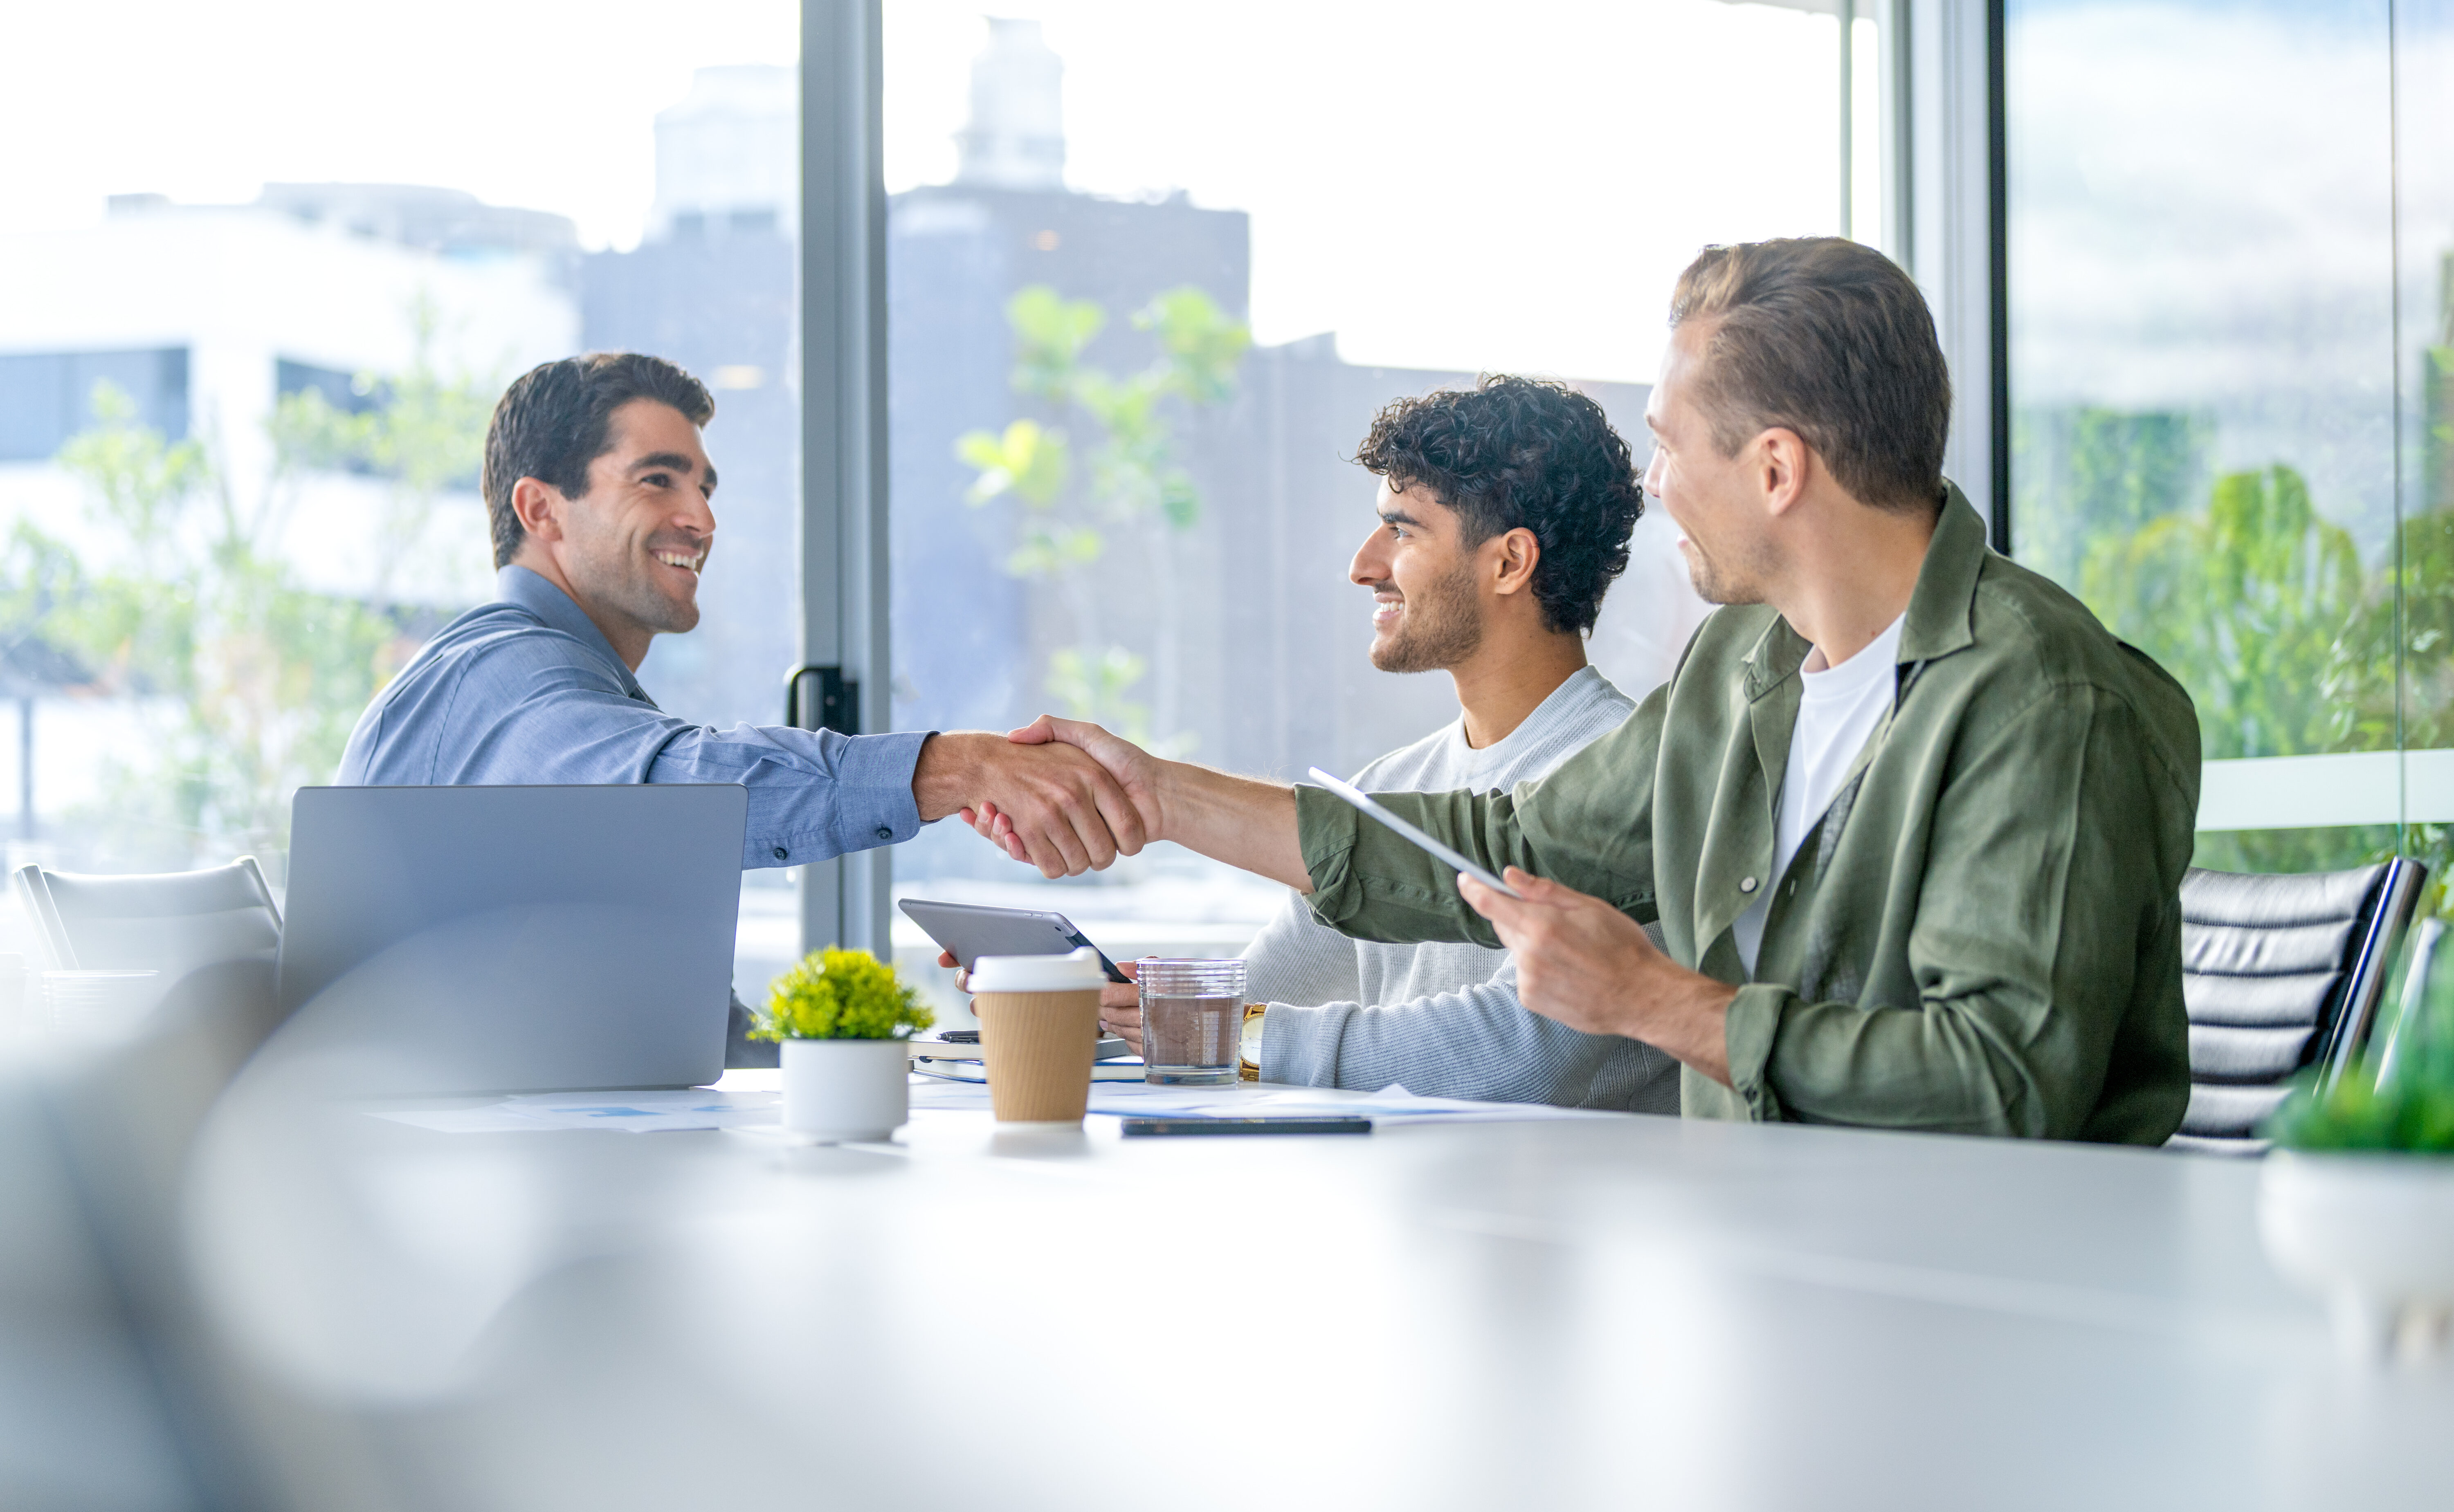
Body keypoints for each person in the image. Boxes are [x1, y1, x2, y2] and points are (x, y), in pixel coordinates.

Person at [965, 238, 2201, 1141]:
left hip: (1976, 1313)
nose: (1654, 485)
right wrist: (1155, 790)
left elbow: (1999, 1080)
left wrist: (1660, 1002)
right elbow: (1504, 842)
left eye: (1669, 443)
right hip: (1771, 1271)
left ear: (1775, 469)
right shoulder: (1745, 669)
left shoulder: (2041, 698)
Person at [338, 352, 1146, 1057]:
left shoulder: (572, 690)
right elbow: (680, 791)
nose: (702, 518)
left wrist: (918, 1055)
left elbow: (691, 1034)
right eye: (658, 479)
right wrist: (963, 767)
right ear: (542, 509)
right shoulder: (503, 680)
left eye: (704, 485)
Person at [1092, 377, 1678, 1110]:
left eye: (1402, 530)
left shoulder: (1631, 784)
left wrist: (1226, 1032)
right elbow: (1256, 997)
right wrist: (1099, 1003)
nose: (1363, 565)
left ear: (1509, 563)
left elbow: (1519, 1058)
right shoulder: (1397, 781)